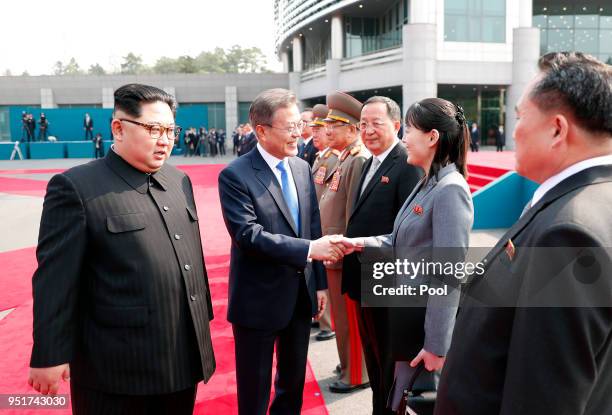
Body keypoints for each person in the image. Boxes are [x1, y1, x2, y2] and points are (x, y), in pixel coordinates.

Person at [436, 52, 612, 415]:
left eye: (519, 116)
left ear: (557, 129)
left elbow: (544, 396)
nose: (513, 130)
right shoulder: (589, 201)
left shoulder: (569, 232)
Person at [28, 84, 215, 414]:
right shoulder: (77, 188)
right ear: (118, 127)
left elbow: (191, 262)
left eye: (171, 130)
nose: (165, 140)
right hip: (116, 368)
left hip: (181, 358)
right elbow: (55, 280)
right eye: (154, 129)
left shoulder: (178, 180)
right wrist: (49, 353)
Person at [340, 97, 474, 411]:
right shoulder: (429, 182)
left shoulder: (450, 189)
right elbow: (396, 240)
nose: (404, 139)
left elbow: (447, 274)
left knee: (408, 401)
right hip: (407, 318)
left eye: (410, 130)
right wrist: (356, 243)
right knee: (394, 398)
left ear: (432, 137)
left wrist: (436, 346)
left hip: (421, 328)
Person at [218, 88, 345, 415]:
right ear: (261, 130)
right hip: (257, 301)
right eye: (289, 127)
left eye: (298, 126)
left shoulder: (301, 168)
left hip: (299, 297)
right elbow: (247, 235)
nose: (298, 133)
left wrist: (318, 283)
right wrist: (310, 250)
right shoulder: (236, 175)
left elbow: (312, 225)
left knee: (292, 385)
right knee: (255, 391)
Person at [342, 96, 422, 414]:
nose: (368, 130)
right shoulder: (370, 162)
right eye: (363, 124)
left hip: (387, 286)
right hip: (365, 281)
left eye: (377, 123)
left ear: (396, 125)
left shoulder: (406, 165)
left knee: (390, 367)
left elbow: (410, 233)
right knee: (375, 362)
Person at [319, 91, 371, 393]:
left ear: (352, 129)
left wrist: (343, 249)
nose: (328, 130)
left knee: (349, 319)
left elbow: (352, 214)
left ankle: (356, 373)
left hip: (342, 252)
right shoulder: (344, 157)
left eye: (334, 125)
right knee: (340, 317)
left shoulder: (357, 159)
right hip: (331, 250)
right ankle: (346, 363)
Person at [310, 103, 338, 342]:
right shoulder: (322, 157)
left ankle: (327, 322)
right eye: (317, 128)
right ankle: (322, 317)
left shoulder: (335, 158)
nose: (318, 133)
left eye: (323, 128)